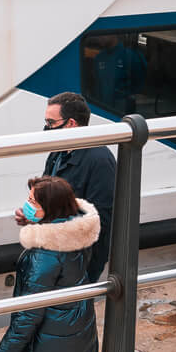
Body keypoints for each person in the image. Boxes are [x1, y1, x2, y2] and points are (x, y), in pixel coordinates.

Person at [0, 176, 100, 352]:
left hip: (51, 348)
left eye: (33, 200)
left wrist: (8, 350)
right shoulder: (77, 234)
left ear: (49, 209)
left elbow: (30, 312)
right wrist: (35, 222)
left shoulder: (42, 255)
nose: (27, 204)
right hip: (79, 337)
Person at [22, 92, 115, 283]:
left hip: (76, 260)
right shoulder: (59, 152)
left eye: (51, 123)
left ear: (71, 123)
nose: (47, 128)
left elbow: (101, 220)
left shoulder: (99, 160)